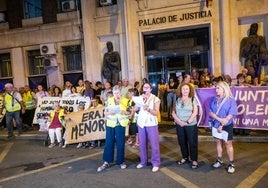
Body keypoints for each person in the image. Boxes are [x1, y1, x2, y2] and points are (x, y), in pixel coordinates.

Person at [97, 85, 130, 172]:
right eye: (115, 93)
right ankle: (106, 161)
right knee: (109, 143)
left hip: (120, 124)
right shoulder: (109, 100)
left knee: (120, 143)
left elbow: (130, 112)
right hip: (111, 124)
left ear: (120, 92)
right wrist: (108, 113)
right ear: (113, 93)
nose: (116, 95)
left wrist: (124, 111)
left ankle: (121, 161)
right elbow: (105, 112)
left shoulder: (125, 101)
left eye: (118, 93)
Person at [209, 81, 238, 174]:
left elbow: (231, 114)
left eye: (218, 88)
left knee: (228, 144)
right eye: (216, 88)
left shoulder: (230, 100)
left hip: (226, 125)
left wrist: (222, 124)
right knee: (218, 142)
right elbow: (210, 112)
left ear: (224, 89)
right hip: (215, 124)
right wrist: (219, 120)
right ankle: (219, 159)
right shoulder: (213, 99)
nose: (216, 90)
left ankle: (231, 163)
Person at [171, 83, 199, 169]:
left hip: (190, 124)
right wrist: (179, 121)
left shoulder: (193, 99)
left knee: (192, 142)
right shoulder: (177, 99)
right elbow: (173, 112)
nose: (185, 91)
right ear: (180, 90)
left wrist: (187, 122)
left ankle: (194, 160)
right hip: (179, 125)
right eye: (183, 89)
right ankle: (185, 157)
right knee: (182, 142)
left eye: (187, 89)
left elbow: (195, 112)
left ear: (190, 90)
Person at [136, 82, 161, 172]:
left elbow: (156, 112)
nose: (146, 89)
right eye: (144, 87)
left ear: (150, 89)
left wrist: (148, 109)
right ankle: (143, 161)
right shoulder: (140, 98)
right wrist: (135, 104)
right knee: (142, 143)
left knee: (154, 144)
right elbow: (136, 109)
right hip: (141, 123)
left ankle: (156, 163)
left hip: (151, 124)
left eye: (147, 87)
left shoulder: (155, 99)